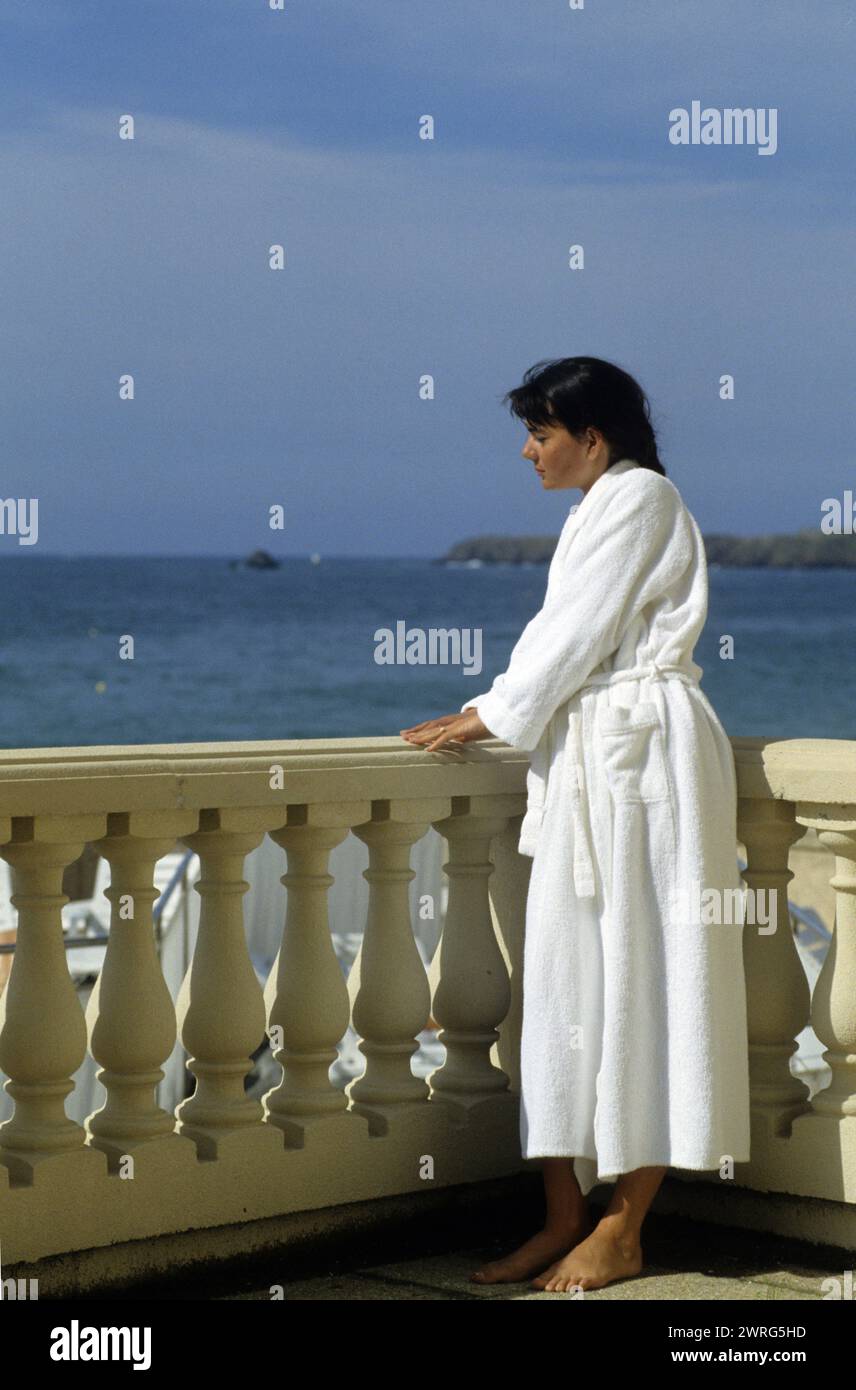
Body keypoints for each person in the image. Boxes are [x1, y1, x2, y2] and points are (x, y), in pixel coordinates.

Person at [400, 356, 751, 1293]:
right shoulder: (596, 508)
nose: (528, 451)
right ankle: (563, 1215)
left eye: (542, 434)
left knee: (650, 978)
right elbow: (572, 637)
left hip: (645, 764)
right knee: (561, 985)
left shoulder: (640, 499)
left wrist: (491, 712)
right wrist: (511, 709)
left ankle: (624, 1225)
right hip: (593, 757)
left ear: (592, 438)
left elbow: (576, 632)